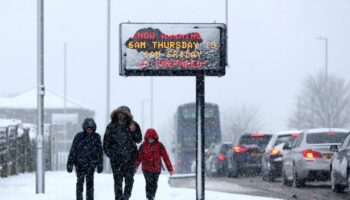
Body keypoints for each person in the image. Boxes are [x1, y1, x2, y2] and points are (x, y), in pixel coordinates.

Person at [103, 106, 142, 200]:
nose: (122, 115)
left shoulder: (133, 125)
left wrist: (134, 131)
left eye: (124, 114)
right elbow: (106, 143)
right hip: (116, 161)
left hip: (130, 159)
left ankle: (126, 197)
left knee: (129, 181)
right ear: (117, 114)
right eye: (120, 113)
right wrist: (111, 155)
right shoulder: (111, 126)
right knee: (117, 182)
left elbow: (139, 139)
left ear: (128, 115)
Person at [67, 118, 103, 200]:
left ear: (94, 129)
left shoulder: (96, 137)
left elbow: (100, 153)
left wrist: (99, 164)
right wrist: (70, 164)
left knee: (90, 184)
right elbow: (73, 150)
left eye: (91, 129)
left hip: (91, 165)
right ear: (84, 128)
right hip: (80, 165)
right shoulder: (79, 136)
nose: (89, 131)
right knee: (80, 183)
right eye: (88, 129)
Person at [136, 128, 174, 200]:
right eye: (149, 138)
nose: (150, 140)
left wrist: (170, 169)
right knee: (148, 183)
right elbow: (138, 158)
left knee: (154, 183)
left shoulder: (159, 145)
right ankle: (149, 197)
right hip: (146, 169)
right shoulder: (143, 146)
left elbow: (165, 157)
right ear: (146, 138)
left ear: (155, 138)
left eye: (152, 138)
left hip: (156, 169)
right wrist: (134, 168)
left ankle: (152, 196)